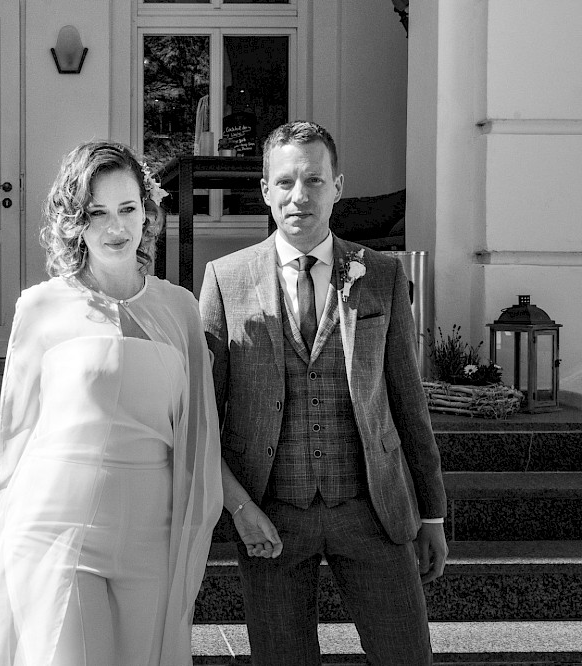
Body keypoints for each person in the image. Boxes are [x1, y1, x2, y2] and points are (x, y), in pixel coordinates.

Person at [0, 141, 223, 666]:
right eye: (97, 213)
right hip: (56, 531)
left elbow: (200, 433)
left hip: (151, 537)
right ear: (75, 222)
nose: (115, 228)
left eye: (127, 209)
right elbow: (12, 430)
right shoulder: (41, 307)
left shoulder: (182, 310)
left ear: (147, 211)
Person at [199, 120, 448, 665]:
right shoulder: (225, 279)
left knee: (407, 656)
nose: (299, 196)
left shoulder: (381, 274)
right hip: (271, 516)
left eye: (314, 180)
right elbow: (203, 420)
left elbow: (408, 402)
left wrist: (432, 513)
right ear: (265, 190)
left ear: (338, 185)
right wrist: (238, 508)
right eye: (285, 182)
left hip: (372, 509)